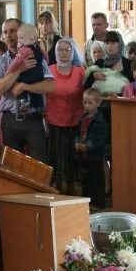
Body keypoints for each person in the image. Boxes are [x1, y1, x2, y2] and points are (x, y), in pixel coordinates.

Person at [0, 18, 54, 163]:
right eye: (5, 32)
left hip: (34, 119)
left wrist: (25, 87)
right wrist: (19, 69)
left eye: (12, 31)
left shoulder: (38, 57)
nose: (8, 35)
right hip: (11, 120)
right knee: (12, 166)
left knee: (39, 166)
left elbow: (50, 86)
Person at [85, 30, 133, 193]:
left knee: (119, 152)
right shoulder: (98, 64)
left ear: (120, 44)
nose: (110, 46)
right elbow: (86, 87)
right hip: (101, 115)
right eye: (107, 43)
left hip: (122, 114)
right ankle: (106, 185)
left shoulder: (128, 64)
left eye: (113, 42)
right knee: (103, 152)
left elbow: (135, 88)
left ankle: (119, 184)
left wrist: (120, 93)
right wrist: (93, 74)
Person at [46, 38, 85, 194]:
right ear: (56, 52)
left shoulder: (80, 71)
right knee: (56, 153)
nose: (63, 53)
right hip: (54, 119)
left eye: (67, 50)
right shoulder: (49, 70)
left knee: (72, 154)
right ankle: (57, 184)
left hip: (75, 120)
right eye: (60, 50)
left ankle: (73, 184)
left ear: (73, 52)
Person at [76, 88, 108, 209]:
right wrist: (76, 143)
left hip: (95, 155)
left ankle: (98, 203)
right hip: (83, 155)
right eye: (85, 103)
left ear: (98, 103)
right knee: (85, 178)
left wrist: (87, 146)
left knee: (96, 179)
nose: (87, 106)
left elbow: (100, 139)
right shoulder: (82, 118)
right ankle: (87, 201)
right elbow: (77, 132)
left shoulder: (100, 120)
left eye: (90, 103)